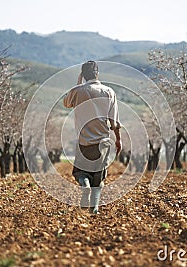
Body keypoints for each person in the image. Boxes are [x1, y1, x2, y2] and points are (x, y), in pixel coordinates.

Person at [63, 60, 121, 214]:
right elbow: (114, 121)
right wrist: (118, 139)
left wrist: (78, 82)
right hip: (103, 143)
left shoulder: (78, 91)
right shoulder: (109, 92)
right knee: (99, 178)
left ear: (83, 75)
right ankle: (94, 208)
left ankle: (84, 185)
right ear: (97, 73)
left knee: (80, 173)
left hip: (84, 143)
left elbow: (66, 103)